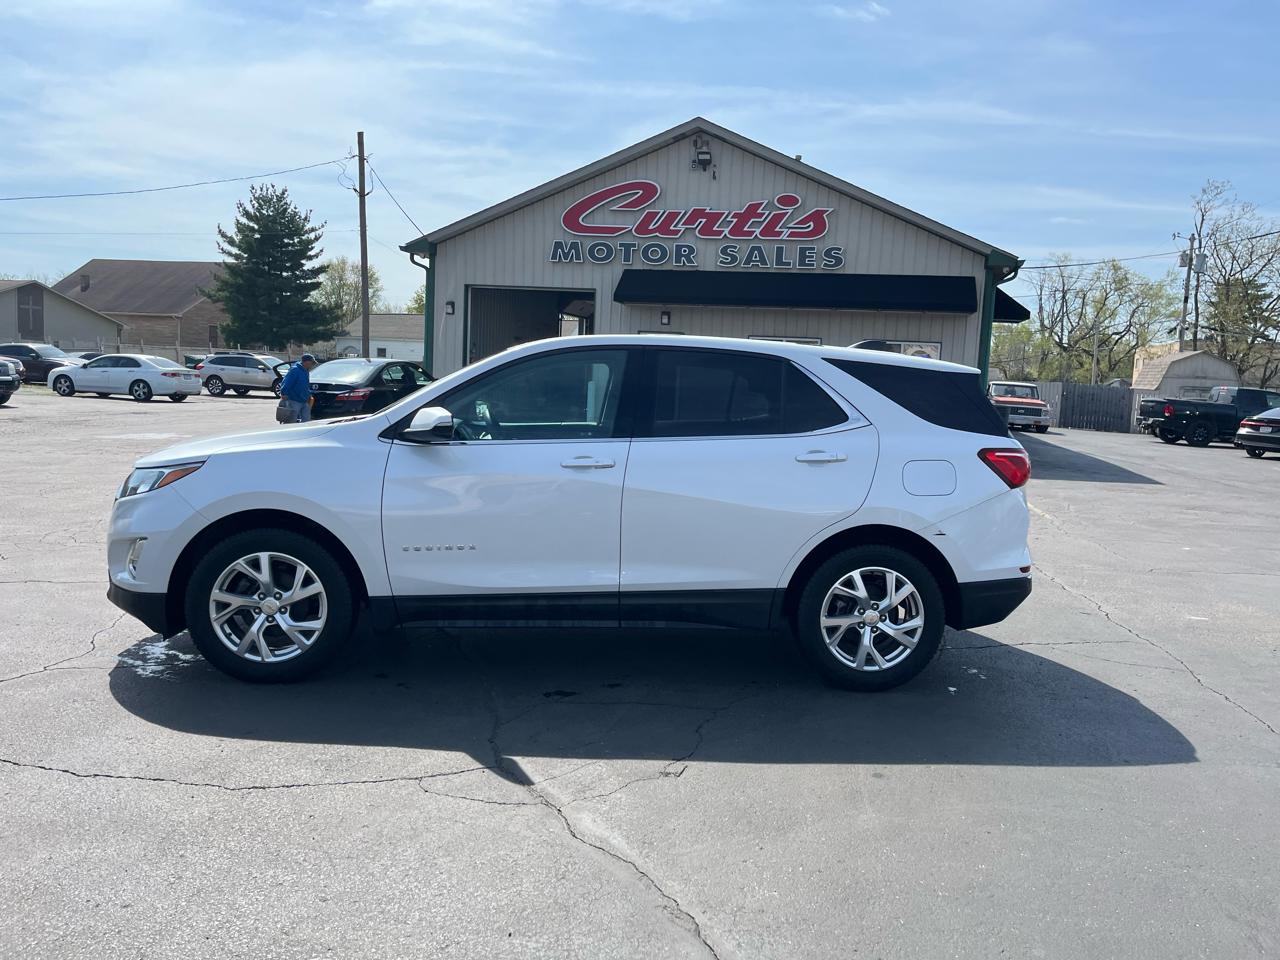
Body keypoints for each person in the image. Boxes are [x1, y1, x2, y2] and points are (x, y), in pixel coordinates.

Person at [279, 353, 317, 423]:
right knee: (291, 420)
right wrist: (284, 393)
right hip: (294, 400)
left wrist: (309, 395)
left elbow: (305, 385)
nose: (312, 365)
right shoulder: (295, 370)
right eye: (312, 363)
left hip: (304, 400)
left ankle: (304, 433)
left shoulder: (306, 371)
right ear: (306, 362)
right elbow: (287, 382)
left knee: (306, 420)